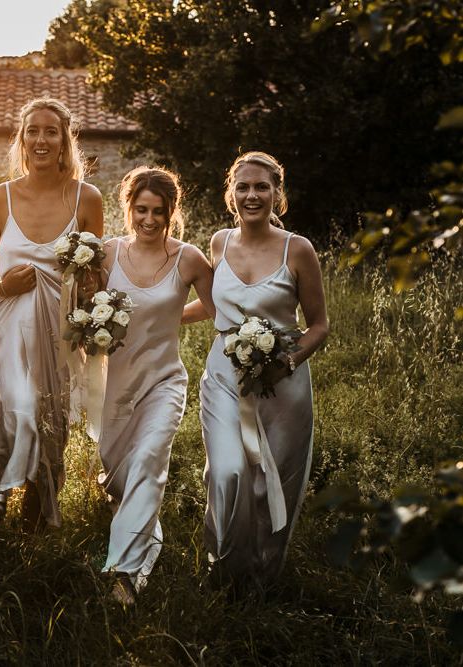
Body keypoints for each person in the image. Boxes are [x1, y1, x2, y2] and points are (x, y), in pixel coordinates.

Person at [183, 151, 329, 586]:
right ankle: (224, 566)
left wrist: (287, 360)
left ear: (276, 194)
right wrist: (158, 310)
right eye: (243, 187)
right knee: (227, 471)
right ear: (231, 193)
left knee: (273, 484)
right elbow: (212, 308)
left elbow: (319, 325)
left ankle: (263, 578)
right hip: (224, 377)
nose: (252, 195)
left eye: (261, 187)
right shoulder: (218, 243)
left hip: (282, 384)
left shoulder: (298, 249)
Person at [0, 98, 103, 531]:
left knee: (48, 416)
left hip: (56, 331)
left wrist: (87, 293)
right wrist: (1, 286)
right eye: (33, 131)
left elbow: (95, 275)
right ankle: (1, 478)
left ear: (65, 139)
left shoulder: (88, 198)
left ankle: (36, 513)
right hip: (8, 324)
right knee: (0, 409)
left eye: (51, 131)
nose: (41, 140)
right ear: (21, 139)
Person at [99, 166, 214, 605]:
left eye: (158, 212)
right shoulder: (107, 253)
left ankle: (126, 574)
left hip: (164, 381)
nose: (149, 220)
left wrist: (172, 317)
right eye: (141, 210)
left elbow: (216, 306)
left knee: (149, 460)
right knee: (119, 476)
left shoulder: (188, 258)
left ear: (171, 212)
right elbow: (84, 308)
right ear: (128, 208)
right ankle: (127, 504)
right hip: (115, 385)